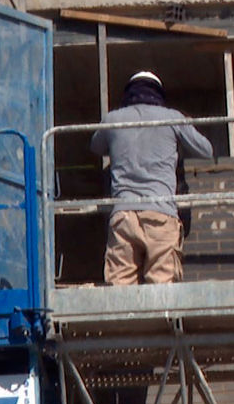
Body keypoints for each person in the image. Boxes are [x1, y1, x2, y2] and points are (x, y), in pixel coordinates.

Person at [91, 71, 213, 285]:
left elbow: (96, 147)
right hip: (161, 214)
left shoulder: (113, 120)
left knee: (121, 291)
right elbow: (206, 150)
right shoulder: (172, 118)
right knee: (162, 291)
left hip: (123, 216)